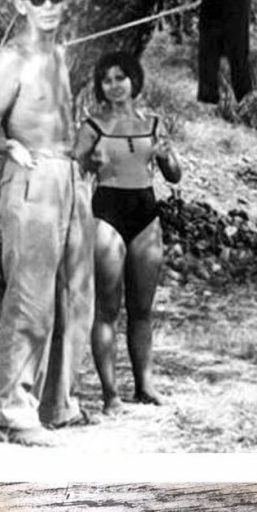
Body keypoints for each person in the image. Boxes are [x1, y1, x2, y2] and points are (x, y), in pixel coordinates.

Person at [0, 0, 96, 447]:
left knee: (76, 295)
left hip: (70, 176)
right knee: (30, 299)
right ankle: (18, 414)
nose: (48, 7)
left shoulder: (63, 55)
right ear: (21, 5)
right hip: (32, 178)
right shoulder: (9, 60)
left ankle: (60, 403)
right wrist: (7, 145)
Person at [72, 51, 181, 416]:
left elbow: (174, 174)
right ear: (100, 86)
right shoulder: (93, 124)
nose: (115, 85)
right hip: (107, 213)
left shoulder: (153, 123)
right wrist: (89, 161)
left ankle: (145, 387)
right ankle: (110, 395)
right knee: (107, 308)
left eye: (122, 78)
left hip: (146, 214)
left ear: (135, 81)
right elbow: (74, 170)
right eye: (107, 79)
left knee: (142, 310)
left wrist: (166, 156)